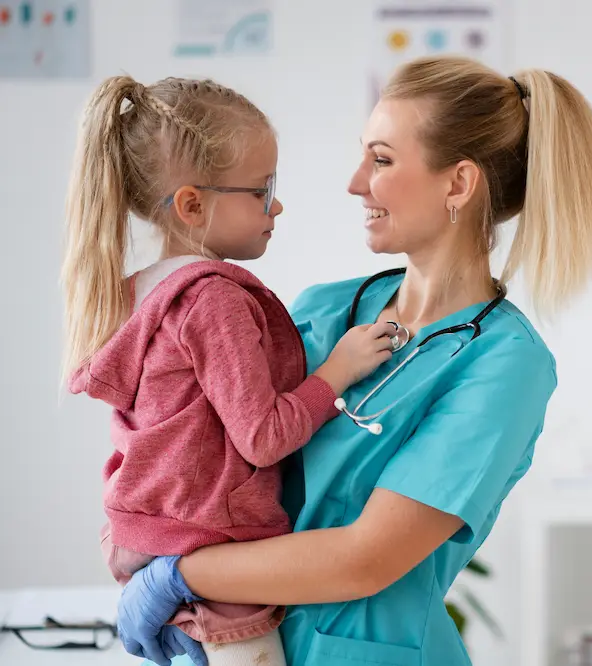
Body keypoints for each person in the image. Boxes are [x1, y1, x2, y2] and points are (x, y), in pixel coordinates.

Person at [112, 55, 592, 666]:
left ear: (458, 184)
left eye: (381, 160)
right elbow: (198, 443)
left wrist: (174, 574)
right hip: (232, 638)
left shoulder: (504, 366)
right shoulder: (322, 311)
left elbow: (365, 559)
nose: (356, 183)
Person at [62, 75, 395, 666]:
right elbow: (263, 438)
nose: (278, 206)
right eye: (263, 191)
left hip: (143, 535)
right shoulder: (212, 300)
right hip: (206, 542)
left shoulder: (141, 292)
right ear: (193, 204)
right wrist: (339, 370)